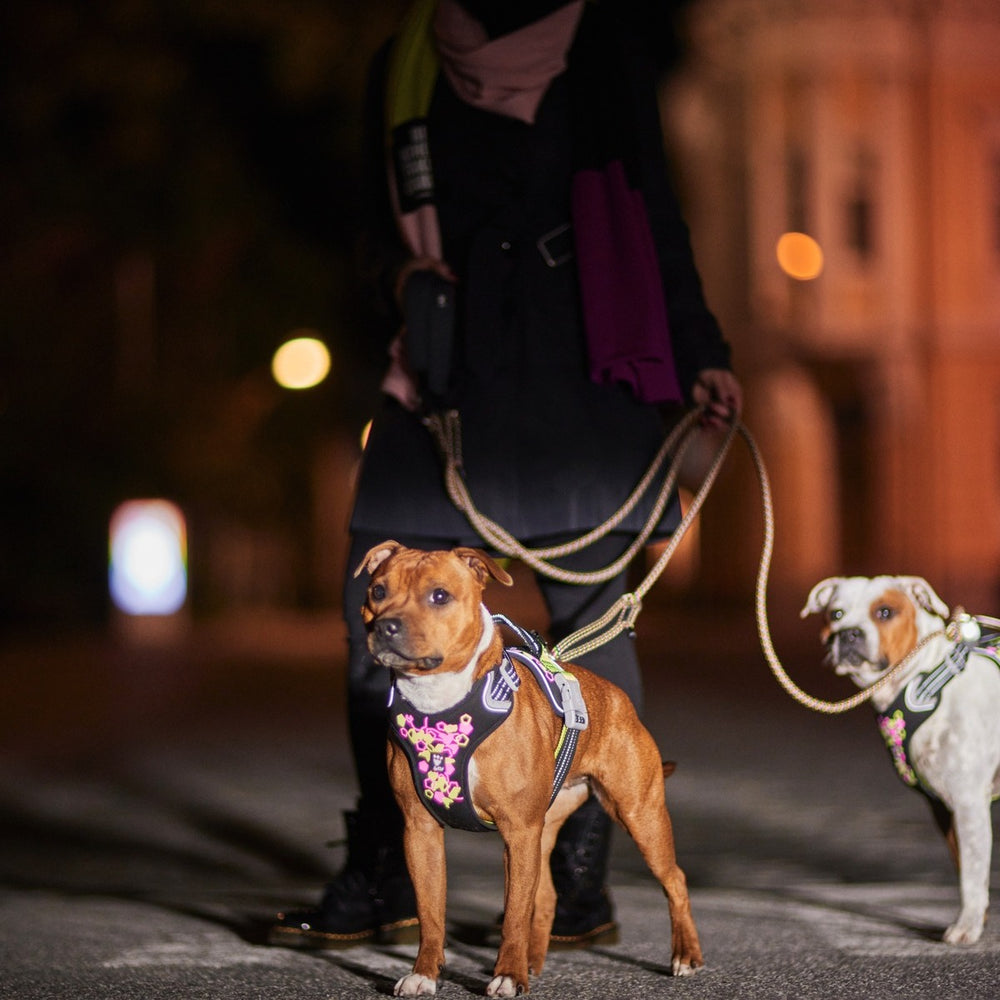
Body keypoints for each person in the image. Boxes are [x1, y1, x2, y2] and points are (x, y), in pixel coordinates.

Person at [269, 0, 742, 951]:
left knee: (592, 620)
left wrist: (697, 346)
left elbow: (649, 205)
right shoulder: (405, 57)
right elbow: (368, 221)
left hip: (575, 371)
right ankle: (387, 857)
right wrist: (396, 287)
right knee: (378, 617)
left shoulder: (605, 44)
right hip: (441, 380)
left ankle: (577, 873)